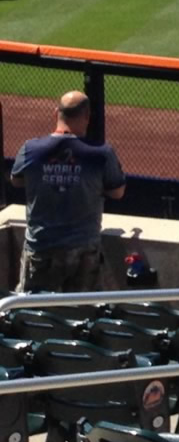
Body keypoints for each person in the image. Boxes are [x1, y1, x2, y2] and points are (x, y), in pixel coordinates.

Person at [10, 92, 125, 292]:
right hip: (83, 249)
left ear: (56, 113)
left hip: (41, 247)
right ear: (87, 117)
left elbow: (16, 179)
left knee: (33, 314)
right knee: (81, 316)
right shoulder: (101, 153)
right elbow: (117, 192)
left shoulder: (31, 149)